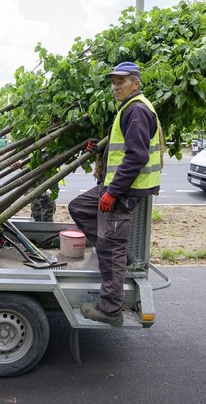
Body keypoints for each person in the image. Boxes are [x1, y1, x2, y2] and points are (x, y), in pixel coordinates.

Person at [68, 61, 162, 326]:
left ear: (136, 83)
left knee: (111, 248)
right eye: (113, 82)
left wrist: (113, 193)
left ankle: (110, 310)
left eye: (121, 81)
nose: (115, 86)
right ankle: (114, 253)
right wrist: (98, 148)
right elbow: (123, 148)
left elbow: (136, 156)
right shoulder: (129, 110)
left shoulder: (137, 110)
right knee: (79, 207)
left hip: (123, 191)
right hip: (112, 187)